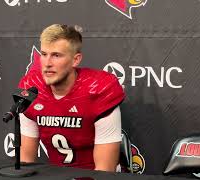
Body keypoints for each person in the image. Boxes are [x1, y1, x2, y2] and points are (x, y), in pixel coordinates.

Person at [17, 24, 125, 172]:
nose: (47, 63)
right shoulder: (32, 89)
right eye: (44, 54)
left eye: (56, 55)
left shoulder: (98, 89)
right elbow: (25, 161)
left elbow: (105, 171)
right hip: (56, 175)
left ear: (76, 60)